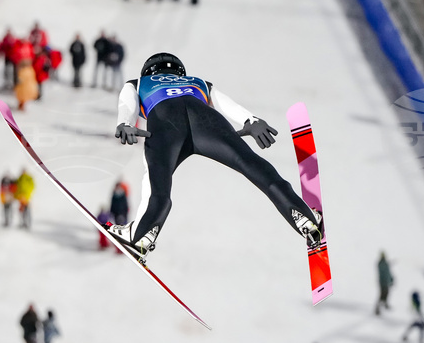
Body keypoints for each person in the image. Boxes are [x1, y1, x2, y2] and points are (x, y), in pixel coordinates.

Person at [106, 53, 322, 260]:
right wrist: (251, 119)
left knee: (156, 185)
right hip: (206, 121)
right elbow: (223, 102)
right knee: (251, 163)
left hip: (165, 122)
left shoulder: (138, 82)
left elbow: (127, 102)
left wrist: (124, 122)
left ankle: (142, 234)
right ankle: (303, 216)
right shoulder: (198, 82)